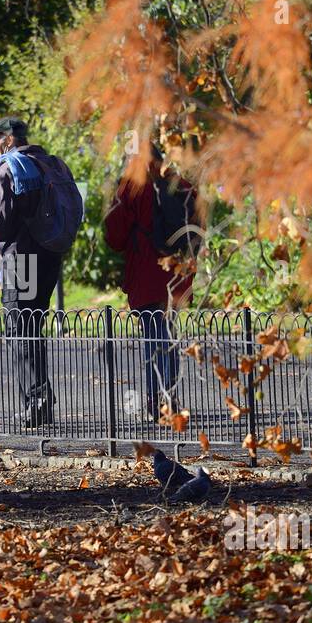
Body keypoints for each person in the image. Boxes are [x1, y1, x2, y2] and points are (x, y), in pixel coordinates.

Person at [0, 116, 78, 428]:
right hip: (50, 255)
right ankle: (42, 401)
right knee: (33, 326)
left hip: (19, 260)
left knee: (20, 333)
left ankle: (35, 405)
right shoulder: (52, 163)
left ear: (7, 140)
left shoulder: (10, 167)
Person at [104, 144, 196, 421]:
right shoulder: (178, 182)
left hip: (146, 271)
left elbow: (115, 234)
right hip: (176, 273)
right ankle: (172, 399)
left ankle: (158, 402)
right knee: (168, 336)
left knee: (152, 339)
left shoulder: (132, 185)